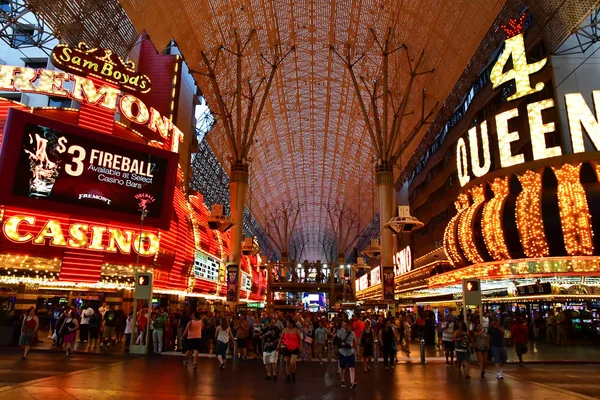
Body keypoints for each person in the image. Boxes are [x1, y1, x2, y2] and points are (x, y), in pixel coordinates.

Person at [336, 320, 357, 390]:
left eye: (345, 325)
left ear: (349, 325)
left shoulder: (352, 333)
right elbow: (336, 340)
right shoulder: (340, 332)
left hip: (350, 352)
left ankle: (352, 382)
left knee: (351, 367)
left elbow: (354, 342)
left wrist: (356, 350)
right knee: (342, 368)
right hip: (342, 352)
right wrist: (340, 343)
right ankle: (342, 381)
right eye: (343, 325)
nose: (344, 326)